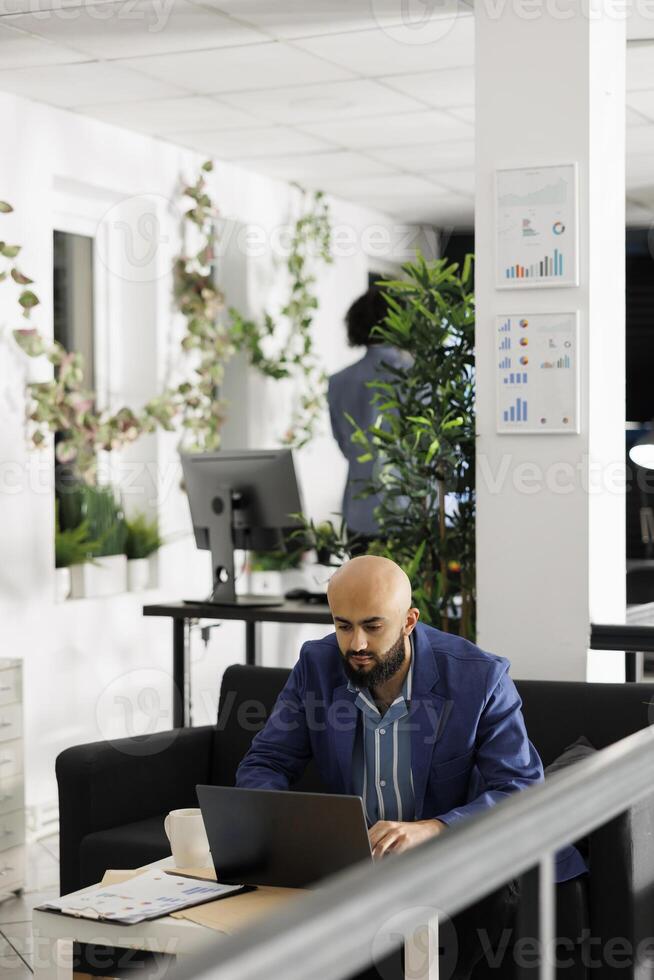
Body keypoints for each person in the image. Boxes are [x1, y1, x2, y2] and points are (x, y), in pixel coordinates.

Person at [236, 555, 587, 979]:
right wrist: (289, 828)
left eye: (372, 625)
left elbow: (523, 790)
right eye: (343, 625)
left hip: (467, 858)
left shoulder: (479, 678)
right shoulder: (316, 665)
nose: (357, 644)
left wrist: (433, 829)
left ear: (409, 621)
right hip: (364, 866)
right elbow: (266, 762)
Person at [328, 287, 409, 549]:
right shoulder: (415, 375)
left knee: (359, 591)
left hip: (359, 514)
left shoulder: (339, 382)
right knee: (407, 591)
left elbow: (344, 445)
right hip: (407, 511)